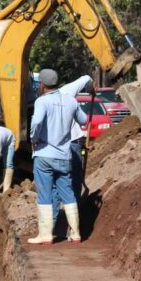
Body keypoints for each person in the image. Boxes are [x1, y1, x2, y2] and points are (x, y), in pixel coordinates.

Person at [27, 69, 87, 245]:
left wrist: (34, 138)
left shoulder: (42, 101)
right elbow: (83, 120)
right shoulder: (71, 101)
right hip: (64, 155)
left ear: (42, 85)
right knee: (68, 192)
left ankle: (45, 235)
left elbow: (37, 122)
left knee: (45, 193)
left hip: (44, 154)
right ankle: (75, 234)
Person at [52, 75, 93, 242]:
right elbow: (86, 78)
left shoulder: (42, 103)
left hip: (56, 148)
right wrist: (91, 87)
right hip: (73, 144)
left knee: (55, 185)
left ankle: (52, 228)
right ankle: (72, 228)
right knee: (74, 183)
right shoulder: (66, 91)